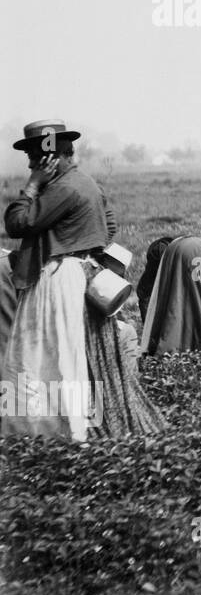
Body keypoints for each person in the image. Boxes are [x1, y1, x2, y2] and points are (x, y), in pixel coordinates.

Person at [2, 121, 112, 441]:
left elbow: (17, 223)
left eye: (35, 157)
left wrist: (33, 185)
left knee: (43, 353)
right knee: (68, 352)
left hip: (57, 276)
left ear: (51, 158)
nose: (30, 163)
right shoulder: (86, 183)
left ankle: (48, 434)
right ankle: (71, 431)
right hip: (73, 271)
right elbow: (111, 225)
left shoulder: (63, 188)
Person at [87, 243, 167, 438]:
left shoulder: (88, 268)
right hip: (98, 329)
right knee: (129, 337)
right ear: (106, 262)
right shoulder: (98, 276)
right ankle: (125, 394)